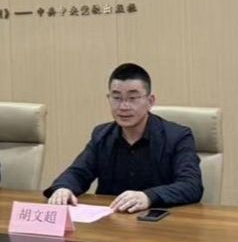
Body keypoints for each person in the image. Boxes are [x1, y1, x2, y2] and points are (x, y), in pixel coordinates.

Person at [44, 63, 203, 213]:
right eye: (117, 98)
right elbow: (78, 173)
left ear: (150, 101)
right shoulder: (102, 135)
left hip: (160, 223)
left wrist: (148, 197)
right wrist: (63, 188)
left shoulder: (178, 137)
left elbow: (191, 186)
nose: (123, 106)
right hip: (110, 221)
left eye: (133, 98)